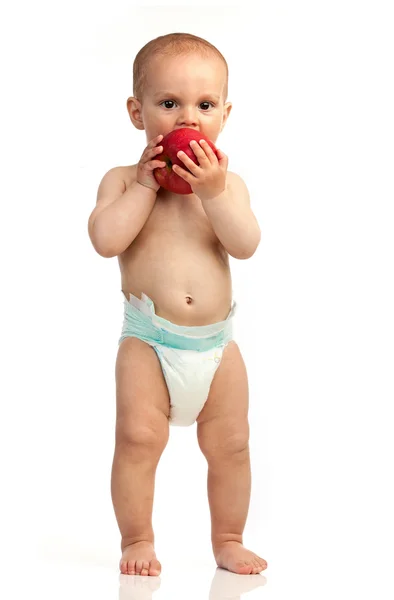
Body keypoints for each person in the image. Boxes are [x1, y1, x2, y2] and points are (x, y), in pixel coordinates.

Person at [88, 32, 267, 577]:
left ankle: (229, 538)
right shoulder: (122, 179)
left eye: (205, 105)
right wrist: (144, 186)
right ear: (136, 112)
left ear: (225, 114)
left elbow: (246, 244)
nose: (188, 118)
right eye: (169, 104)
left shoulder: (227, 184)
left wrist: (213, 192)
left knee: (233, 444)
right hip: (150, 340)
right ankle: (137, 538)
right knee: (138, 439)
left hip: (216, 347)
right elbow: (105, 240)